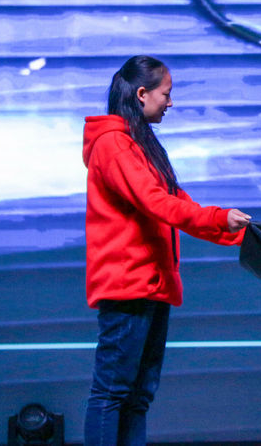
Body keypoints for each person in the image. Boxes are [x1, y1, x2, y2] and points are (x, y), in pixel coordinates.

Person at [82, 55, 251, 446]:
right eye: (166, 94)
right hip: (129, 285)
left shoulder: (137, 144)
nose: (170, 103)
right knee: (112, 393)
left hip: (150, 284)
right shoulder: (114, 144)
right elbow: (157, 203)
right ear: (142, 94)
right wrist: (219, 218)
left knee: (137, 396)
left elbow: (176, 201)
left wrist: (238, 233)